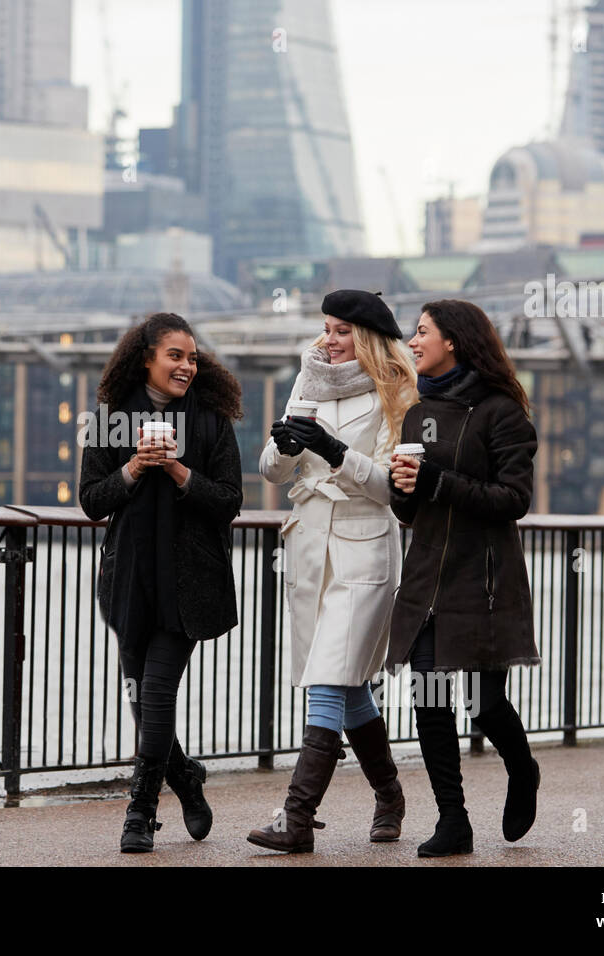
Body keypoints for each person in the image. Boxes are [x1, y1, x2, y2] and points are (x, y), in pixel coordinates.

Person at [246, 290, 418, 854]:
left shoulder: (398, 388)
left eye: (341, 330)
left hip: (365, 547)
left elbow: (393, 487)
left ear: (366, 336)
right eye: (325, 328)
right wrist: (286, 446)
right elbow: (272, 473)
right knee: (346, 687)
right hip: (310, 544)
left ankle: (297, 821)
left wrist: (337, 452)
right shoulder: (309, 378)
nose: (328, 339)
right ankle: (390, 797)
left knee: (328, 677)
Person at [78, 312, 244, 853]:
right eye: (175, 355)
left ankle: (140, 812)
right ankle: (186, 778)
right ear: (145, 357)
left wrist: (176, 471)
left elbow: (229, 502)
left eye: (193, 357)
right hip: (128, 579)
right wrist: (132, 468)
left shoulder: (212, 420)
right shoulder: (107, 419)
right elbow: (91, 501)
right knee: (142, 702)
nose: (187, 366)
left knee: (154, 691)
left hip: (189, 582)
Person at [387, 298, 541, 858]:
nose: (412, 340)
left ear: (452, 339)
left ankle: (522, 769)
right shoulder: (414, 414)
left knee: (483, 702)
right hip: (426, 579)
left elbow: (513, 500)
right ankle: (454, 820)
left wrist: (437, 481)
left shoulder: (503, 413)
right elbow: (413, 511)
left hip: (482, 581)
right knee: (428, 694)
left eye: (422, 331)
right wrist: (402, 491)